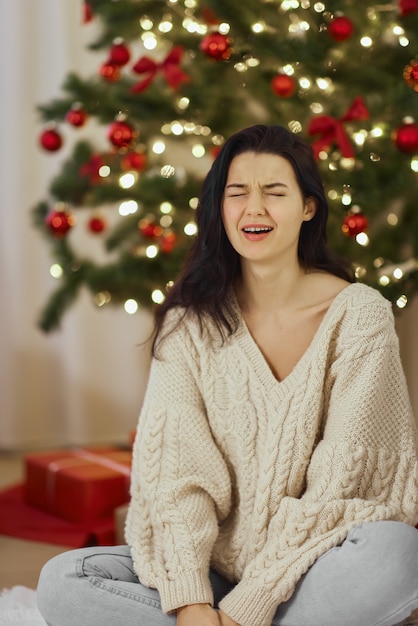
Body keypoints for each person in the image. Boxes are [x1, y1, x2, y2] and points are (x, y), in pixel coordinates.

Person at [37, 125, 418, 626]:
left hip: (310, 566)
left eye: (274, 192)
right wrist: (194, 604)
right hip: (214, 569)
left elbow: (345, 491)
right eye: (237, 193)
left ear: (308, 208)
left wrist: (245, 611)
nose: (253, 208)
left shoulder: (359, 315)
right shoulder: (189, 321)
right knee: (64, 582)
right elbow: (177, 478)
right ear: (220, 207)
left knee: (397, 553)